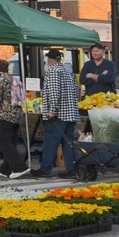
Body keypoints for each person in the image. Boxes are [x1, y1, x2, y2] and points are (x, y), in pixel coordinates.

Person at [34, 49, 79, 179]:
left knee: (50, 142)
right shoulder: (68, 72)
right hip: (70, 113)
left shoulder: (53, 72)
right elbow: (76, 92)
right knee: (68, 143)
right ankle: (71, 169)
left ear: (49, 59)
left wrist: (52, 110)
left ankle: (45, 169)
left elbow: (54, 93)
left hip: (58, 115)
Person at [0, 59, 29, 179]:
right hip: (16, 114)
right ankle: (5, 168)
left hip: (4, 114)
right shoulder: (13, 78)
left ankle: (20, 167)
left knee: (3, 140)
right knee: (11, 141)